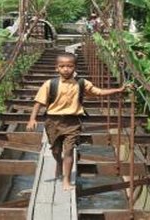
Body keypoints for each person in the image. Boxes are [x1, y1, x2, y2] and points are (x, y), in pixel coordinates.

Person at [26, 52, 130, 191]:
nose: (66, 69)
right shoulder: (50, 84)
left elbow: (98, 92)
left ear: (75, 67)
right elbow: (38, 103)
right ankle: (59, 162)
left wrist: (118, 90)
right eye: (62, 66)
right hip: (53, 121)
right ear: (56, 68)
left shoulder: (81, 83)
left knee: (69, 151)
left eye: (69, 66)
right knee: (56, 151)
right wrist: (32, 119)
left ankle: (66, 180)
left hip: (72, 122)